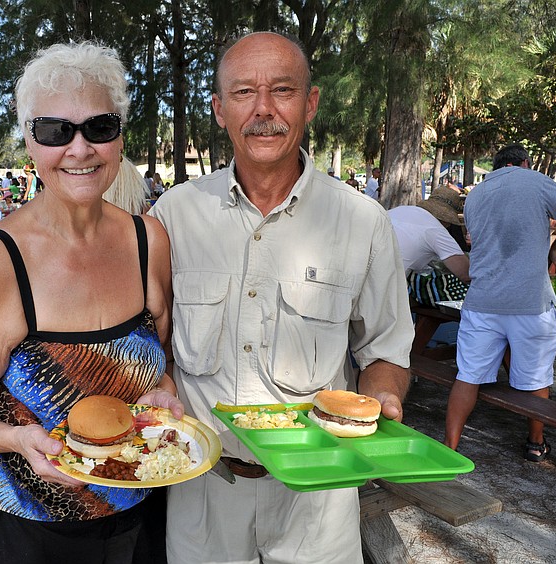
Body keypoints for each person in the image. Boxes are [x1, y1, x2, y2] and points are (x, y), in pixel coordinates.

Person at [149, 32, 413, 564]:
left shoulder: (362, 222)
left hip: (319, 498)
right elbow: (151, 341)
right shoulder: (172, 217)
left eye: (283, 90)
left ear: (310, 104)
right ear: (220, 110)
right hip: (204, 488)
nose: (263, 110)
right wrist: (158, 386)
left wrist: (381, 397)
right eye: (244, 92)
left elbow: (384, 347)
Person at [0, 41, 178, 562]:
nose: (79, 149)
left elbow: (159, 362)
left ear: (119, 136)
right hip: (26, 529)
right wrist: (16, 440)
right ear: (29, 142)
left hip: (140, 516)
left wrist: (165, 395)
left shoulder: (148, 240)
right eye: (55, 131)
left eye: (99, 127)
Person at [444, 144, 556, 462]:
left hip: (481, 301)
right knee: (535, 378)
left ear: (496, 166)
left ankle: (450, 447)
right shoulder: (535, 180)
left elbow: (481, 241)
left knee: (467, 376)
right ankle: (536, 444)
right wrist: (555, 248)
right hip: (530, 304)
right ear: (524, 162)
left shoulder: (476, 194)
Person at [387, 185, 470, 281]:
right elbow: (465, 273)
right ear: (447, 220)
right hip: (387, 283)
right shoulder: (435, 229)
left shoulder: (400, 210)